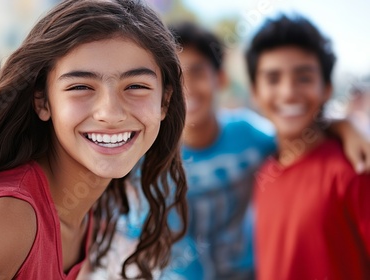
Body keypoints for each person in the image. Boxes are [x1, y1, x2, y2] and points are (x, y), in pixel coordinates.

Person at [0, 0, 189, 279]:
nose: (110, 113)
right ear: (43, 102)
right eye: (81, 87)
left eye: (136, 86)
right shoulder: (12, 216)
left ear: (165, 101)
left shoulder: (86, 215)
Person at [103, 21, 370, 280]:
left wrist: (345, 125)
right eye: (174, 77)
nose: (188, 88)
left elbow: (295, 135)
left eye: (197, 72)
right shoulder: (142, 151)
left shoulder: (250, 137)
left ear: (220, 78)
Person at [248, 14, 370, 279]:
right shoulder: (263, 171)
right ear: (255, 92)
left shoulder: (354, 168)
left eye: (304, 78)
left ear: (326, 88)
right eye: (272, 78)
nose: (289, 92)